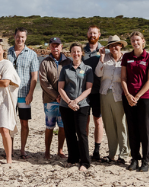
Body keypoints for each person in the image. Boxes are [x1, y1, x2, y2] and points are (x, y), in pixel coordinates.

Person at [121, 31, 149, 172]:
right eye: (133, 41)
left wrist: (137, 96)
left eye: (137, 40)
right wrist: (128, 95)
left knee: (145, 129)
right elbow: (123, 78)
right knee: (132, 129)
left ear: (143, 41)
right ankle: (135, 159)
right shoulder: (126, 57)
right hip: (128, 98)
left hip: (144, 98)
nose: (135, 43)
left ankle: (146, 160)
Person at [58, 43, 94, 171]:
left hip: (82, 105)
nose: (76, 54)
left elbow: (88, 89)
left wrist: (76, 101)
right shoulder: (65, 69)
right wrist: (69, 102)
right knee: (69, 132)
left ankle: (85, 162)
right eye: (73, 51)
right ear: (70, 53)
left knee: (82, 133)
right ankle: (72, 158)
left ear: (82, 53)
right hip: (66, 106)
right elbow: (60, 88)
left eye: (78, 51)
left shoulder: (88, 69)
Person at [95, 35, 129, 164]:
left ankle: (124, 154)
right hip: (104, 94)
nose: (114, 48)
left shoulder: (125, 59)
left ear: (121, 46)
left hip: (119, 95)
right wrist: (101, 57)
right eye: (111, 46)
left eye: (116, 45)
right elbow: (98, 73)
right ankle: (112, 153)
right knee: (109, 125)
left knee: (121, 124)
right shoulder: (105, 58)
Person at [7, 27, 39, 160]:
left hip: (24, 94)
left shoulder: (32, 54)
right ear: (14, 36)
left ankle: (22, 150)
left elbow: (34, 76)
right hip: (9, 94)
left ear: (26, 38)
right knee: (9, 123)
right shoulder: (7, 53)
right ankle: (10, 149)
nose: (20, 39)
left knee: (24, 123)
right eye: (18, 36)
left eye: (22, 37)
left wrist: (31, 93)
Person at [38, 37, 71, 160]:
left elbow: (71, 80)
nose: (55, 48)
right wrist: (56, 95)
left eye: (57, 45)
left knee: (63, 126)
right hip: (50, 100)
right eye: (53, 45)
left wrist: (63, 96)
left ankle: (60, 150)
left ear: (61, 47)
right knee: (49, 127)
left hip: (64, 100)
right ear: (49, 47)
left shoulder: (68, 62)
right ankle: (47, 151)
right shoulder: (45, 62)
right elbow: (43, 82)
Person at [83, 25, 105, 161]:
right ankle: (85, 149)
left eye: (95, 33)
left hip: (98, 91)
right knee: (85, 121)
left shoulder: (104, 50)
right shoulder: (82, 51)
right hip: (84, 92)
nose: (92, 35)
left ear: (99, 35)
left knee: (98, 120)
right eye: (90, 33)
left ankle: (96, 151)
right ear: (87, 34)